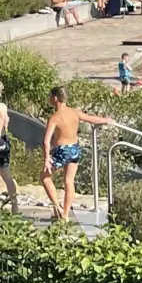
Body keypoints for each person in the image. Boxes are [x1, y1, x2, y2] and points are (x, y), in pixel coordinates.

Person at [41, 86, 111, 219]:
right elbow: (91, 119)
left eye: (50, 96)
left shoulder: (54, 118)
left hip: (62, 151)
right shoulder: (75, 112)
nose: (49, 98)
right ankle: (66, 215)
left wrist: (46, 158)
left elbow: (46, 141)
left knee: (45, 177)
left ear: (55, 98)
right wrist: (106, 120)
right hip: (74, 149)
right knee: (69, 181)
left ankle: (57, 206)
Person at [0, 79, 17, 215]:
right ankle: (14, 205)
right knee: (6, 175)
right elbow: (6, 124)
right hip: (3, 141)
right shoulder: (3, 107)